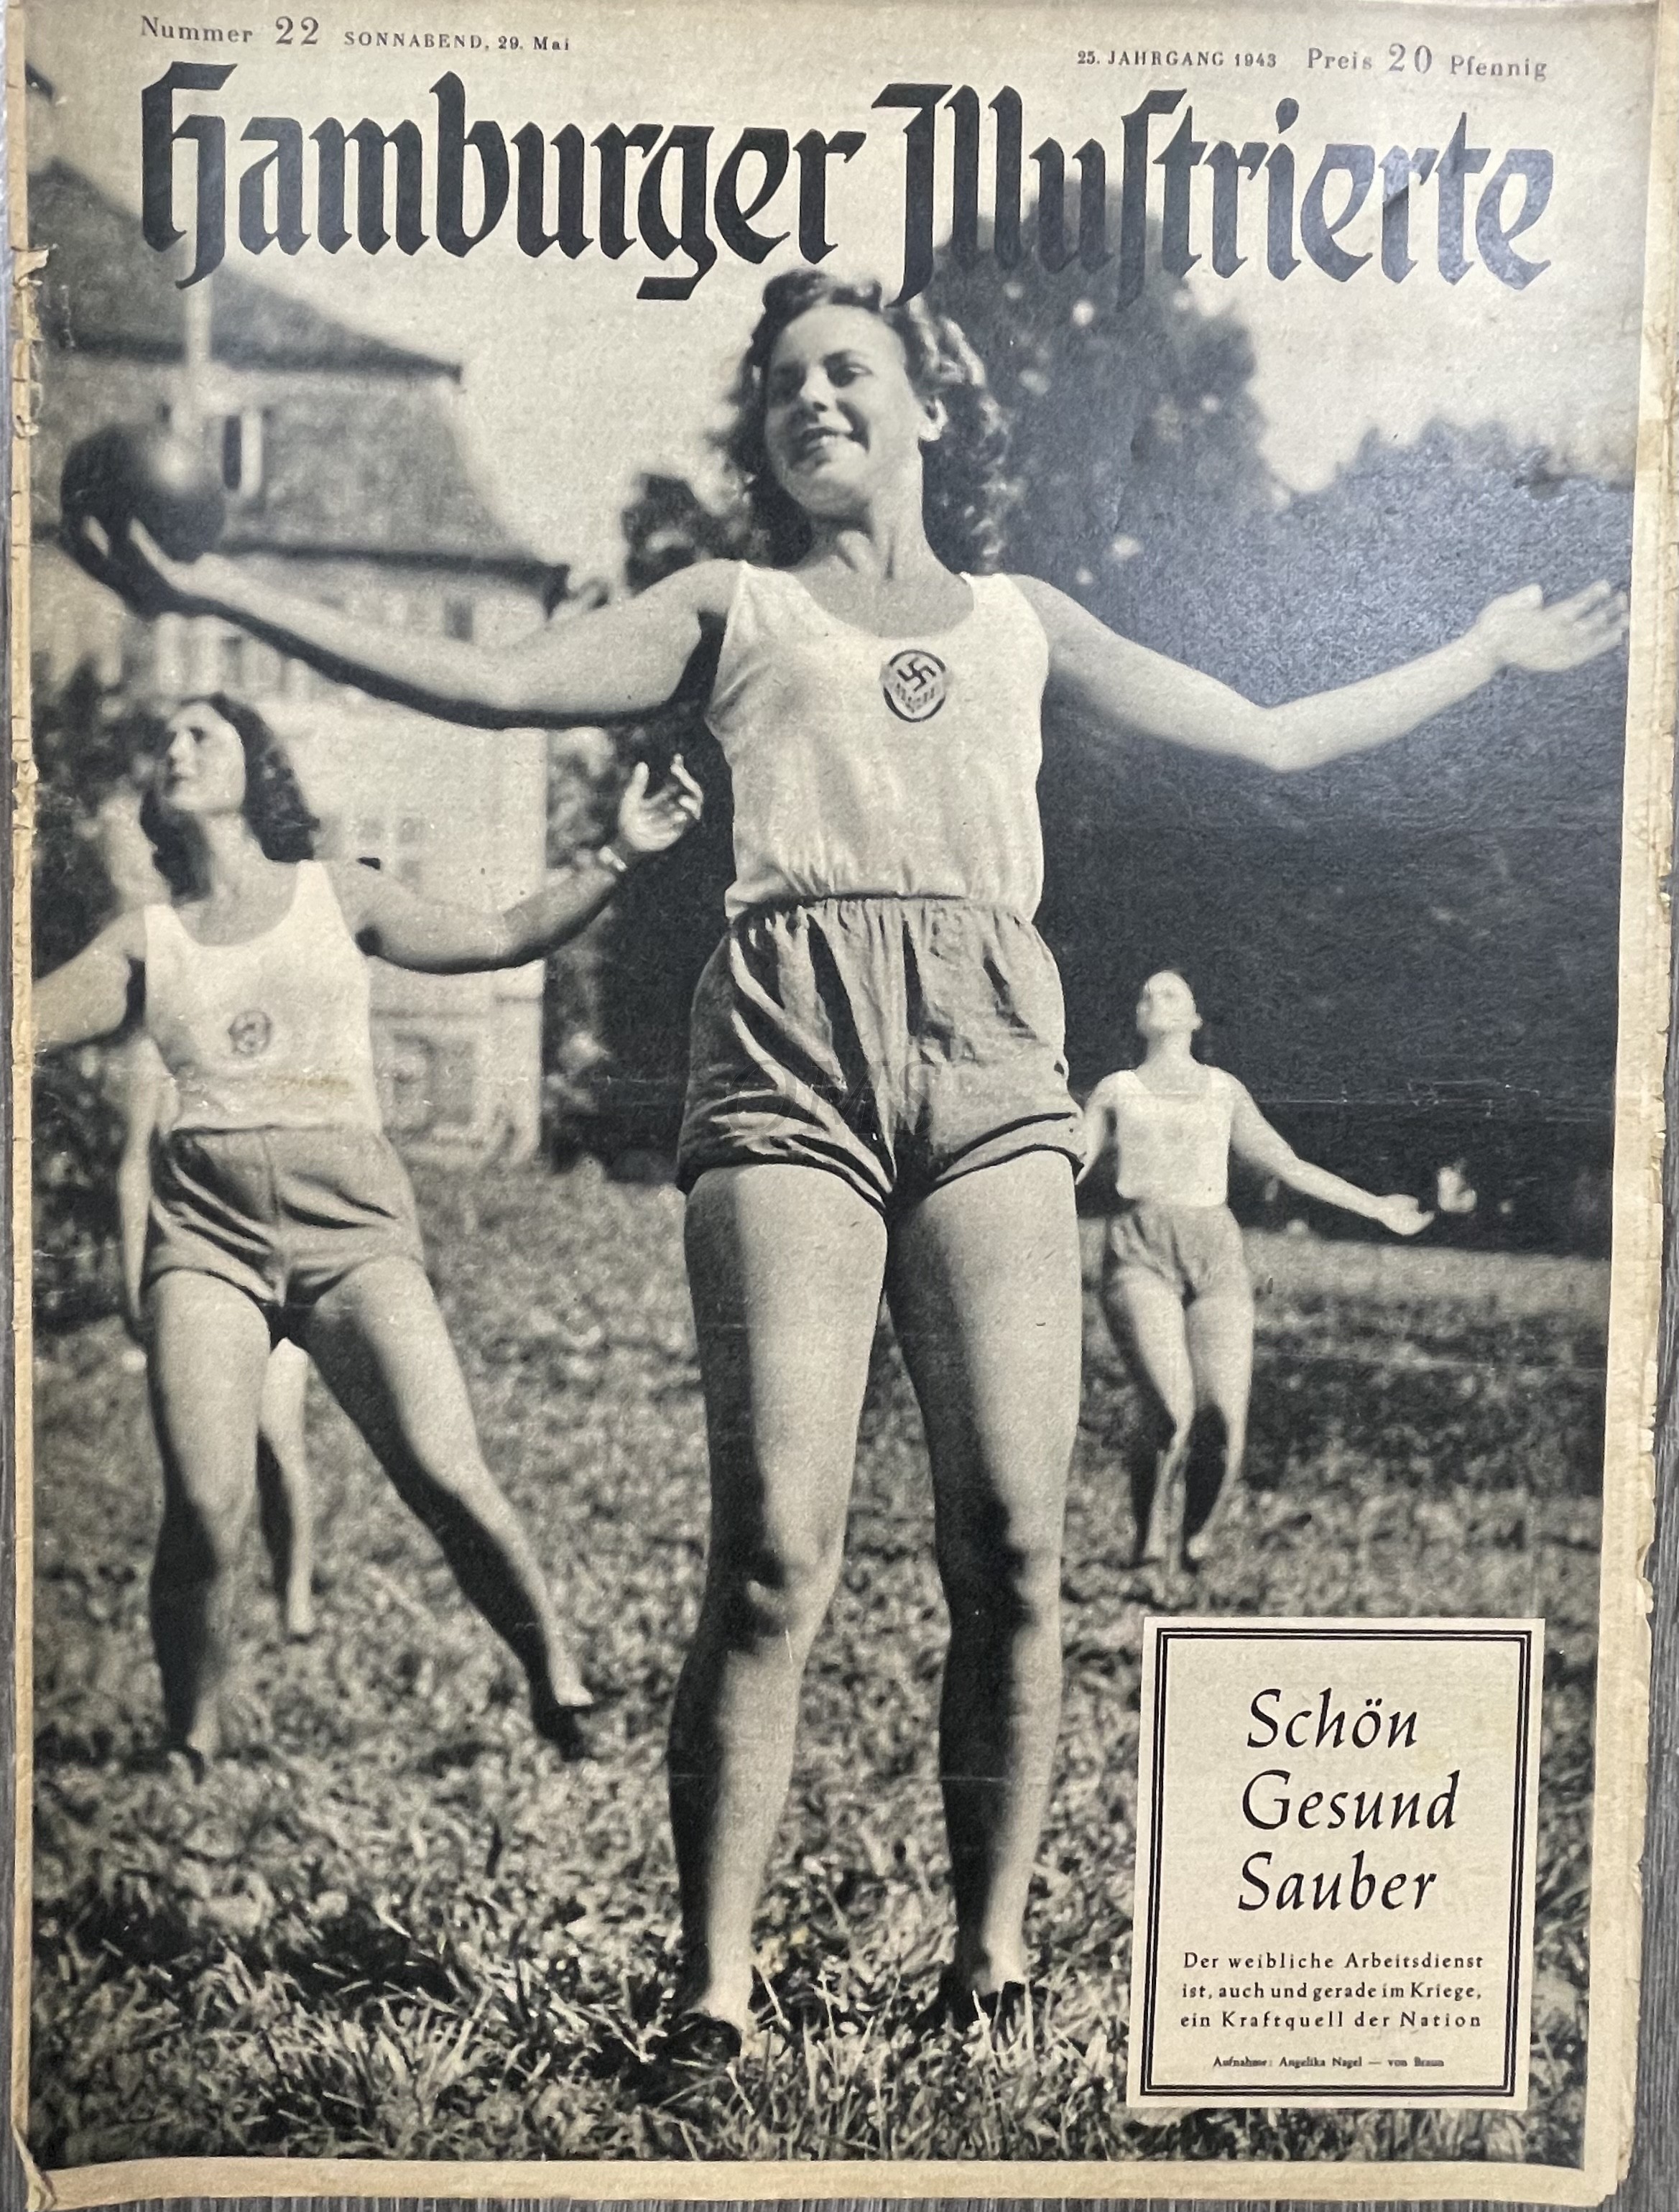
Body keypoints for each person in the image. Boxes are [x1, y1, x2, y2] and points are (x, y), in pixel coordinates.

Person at [78, 269, 1624, 2055]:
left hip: (991, 1053)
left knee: (1015, 1546)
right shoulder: (726, 605)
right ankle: (711, 1985)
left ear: (926, 410)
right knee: (771, 1555)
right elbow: (493, 684)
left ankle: (989, 1957)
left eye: (847, 371)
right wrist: (214, 590)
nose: (810, 398)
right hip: (786, 1052)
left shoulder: (1022, 619)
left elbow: (1272, 732)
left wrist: (1479, 655)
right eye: (783, 382)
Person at [34, 693, 703, 1770]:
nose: (177, 748)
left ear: (258, 767)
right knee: (206, 1501)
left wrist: (619, 855)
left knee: (446, 1472)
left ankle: (556, 1677)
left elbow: (501, 937)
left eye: (204, 733)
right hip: (205, 1236)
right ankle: (189, 1738)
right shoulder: (145, 938)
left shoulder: (336, 891)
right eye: (167, 741)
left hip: (352, 1230)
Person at [1080, 971, 1432, 1591]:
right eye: (1145, 995)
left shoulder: (1223, 1090)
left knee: (1220, 1417)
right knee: (1169, 1407)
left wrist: (1376, 1207)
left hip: (1217, 1250)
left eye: (1170, 994)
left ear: (1194, 1018)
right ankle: (1145, 1543)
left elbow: (1287, 1163)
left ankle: (1194, 1539)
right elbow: (1072, 1163)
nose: (1154, 1000)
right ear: (1137, 1019)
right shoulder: (1116, 1089)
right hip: (1138, 1248)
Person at [119, 1034, 320, 1642]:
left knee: (278, 1437)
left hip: (274, 1266)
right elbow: (133, 1169)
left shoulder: (268, 1035)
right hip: (195, 1272)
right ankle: (212, 1616)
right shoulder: (153, 1051)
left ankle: (294, 1594)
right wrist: (133, 1283)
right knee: (201, 1472)